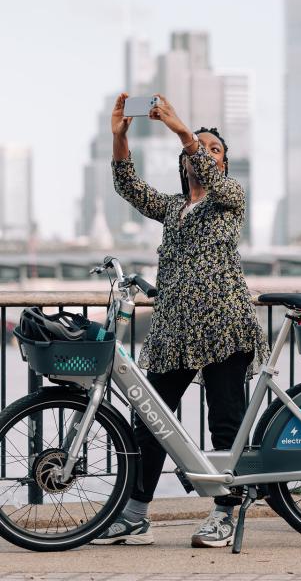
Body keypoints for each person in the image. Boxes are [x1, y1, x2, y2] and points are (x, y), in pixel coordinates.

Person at [93, 93, 269, 548]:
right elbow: (128, 186)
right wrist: (119, 137)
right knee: (150, 420)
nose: (205, 154)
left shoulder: (230, 200)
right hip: (173, 331)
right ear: (181, 164)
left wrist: (184, 131)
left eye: (215, 150)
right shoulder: (174, 208)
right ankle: (134, 514)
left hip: (224, 326)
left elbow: (211, 171)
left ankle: (225, 513)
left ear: (224, 165)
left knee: (225, 424)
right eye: (199, 148)